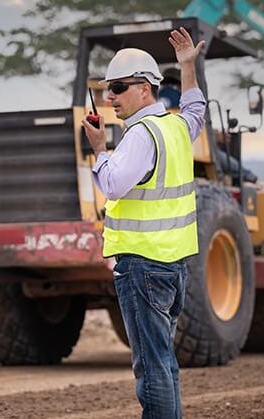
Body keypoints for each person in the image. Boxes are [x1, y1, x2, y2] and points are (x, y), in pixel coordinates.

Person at [81, 26, 206, 419]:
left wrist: (99, 151)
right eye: (105, 89)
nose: (109, 98)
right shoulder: (176, 128)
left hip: (142, 266)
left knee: (151, 368)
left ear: (145, 89)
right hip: (174, 267)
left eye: (117, 87)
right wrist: (188, 68)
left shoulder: (139, 134)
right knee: (164, 362)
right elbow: (196, 109)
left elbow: (114, 185)